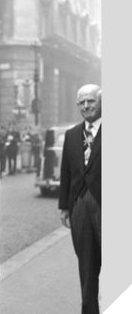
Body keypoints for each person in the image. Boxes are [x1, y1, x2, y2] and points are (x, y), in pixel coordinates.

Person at [58, 84, 101, 314]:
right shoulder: (72, 134)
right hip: (79, 207)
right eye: (82, 102)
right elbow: (66, 171)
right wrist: (64, 206)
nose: (86, 106)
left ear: (101, 101)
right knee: (86, 267)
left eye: (91, 101)